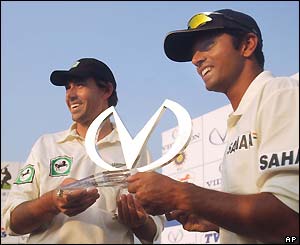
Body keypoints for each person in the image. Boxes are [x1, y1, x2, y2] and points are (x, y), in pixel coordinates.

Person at [127, 9, 299, 244]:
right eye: (193, 53)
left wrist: (181, 195)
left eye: (208, 44)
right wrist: (216, 221)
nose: (196, 59)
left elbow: (291, 225)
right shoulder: (240, 119)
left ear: (247, 45)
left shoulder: (280, 94)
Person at [2, 58, 164, 243]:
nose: (70, 94)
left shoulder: (135, 150)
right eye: (67, 87)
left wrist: (140, 222)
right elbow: (12, 222)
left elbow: (154, 231)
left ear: (106, 90)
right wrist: (52, 202)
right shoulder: (46, 145)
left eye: (79, 85)